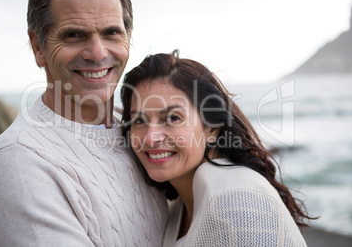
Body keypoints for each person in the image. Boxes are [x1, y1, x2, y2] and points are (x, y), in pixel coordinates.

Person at [0, 0, 168, 246]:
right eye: (74, 35)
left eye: (111, 32)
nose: (98, 53)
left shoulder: (141, 131)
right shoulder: (19, 162)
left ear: (129, 36)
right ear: (38, 47)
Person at [121, 50, 312, 246]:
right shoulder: (180, 204)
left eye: (173, 118)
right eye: (140, 120)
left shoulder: (236, 201)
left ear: (212, 127)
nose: (151, 138)